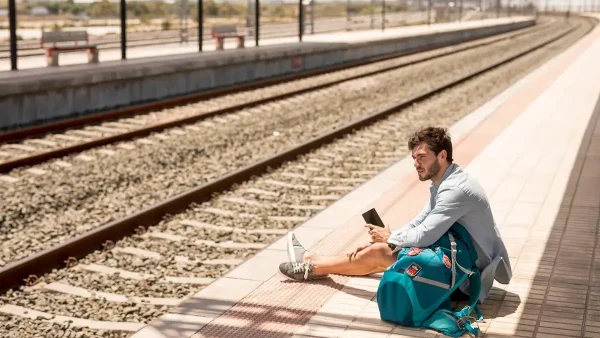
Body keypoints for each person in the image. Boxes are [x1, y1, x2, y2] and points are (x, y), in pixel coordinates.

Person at [278, 126, 512, 303]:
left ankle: (312, 267)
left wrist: (389, 240)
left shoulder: (455, 190)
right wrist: (390, 237)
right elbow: (420, 220)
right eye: (414, 158)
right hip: (458, 260)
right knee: (383, 250)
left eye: (422, 157)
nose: (416, 164)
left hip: (466, 279)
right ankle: (314, 260)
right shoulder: (446, 180)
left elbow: (423, 236)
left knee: (382, 252)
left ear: (442, 156)